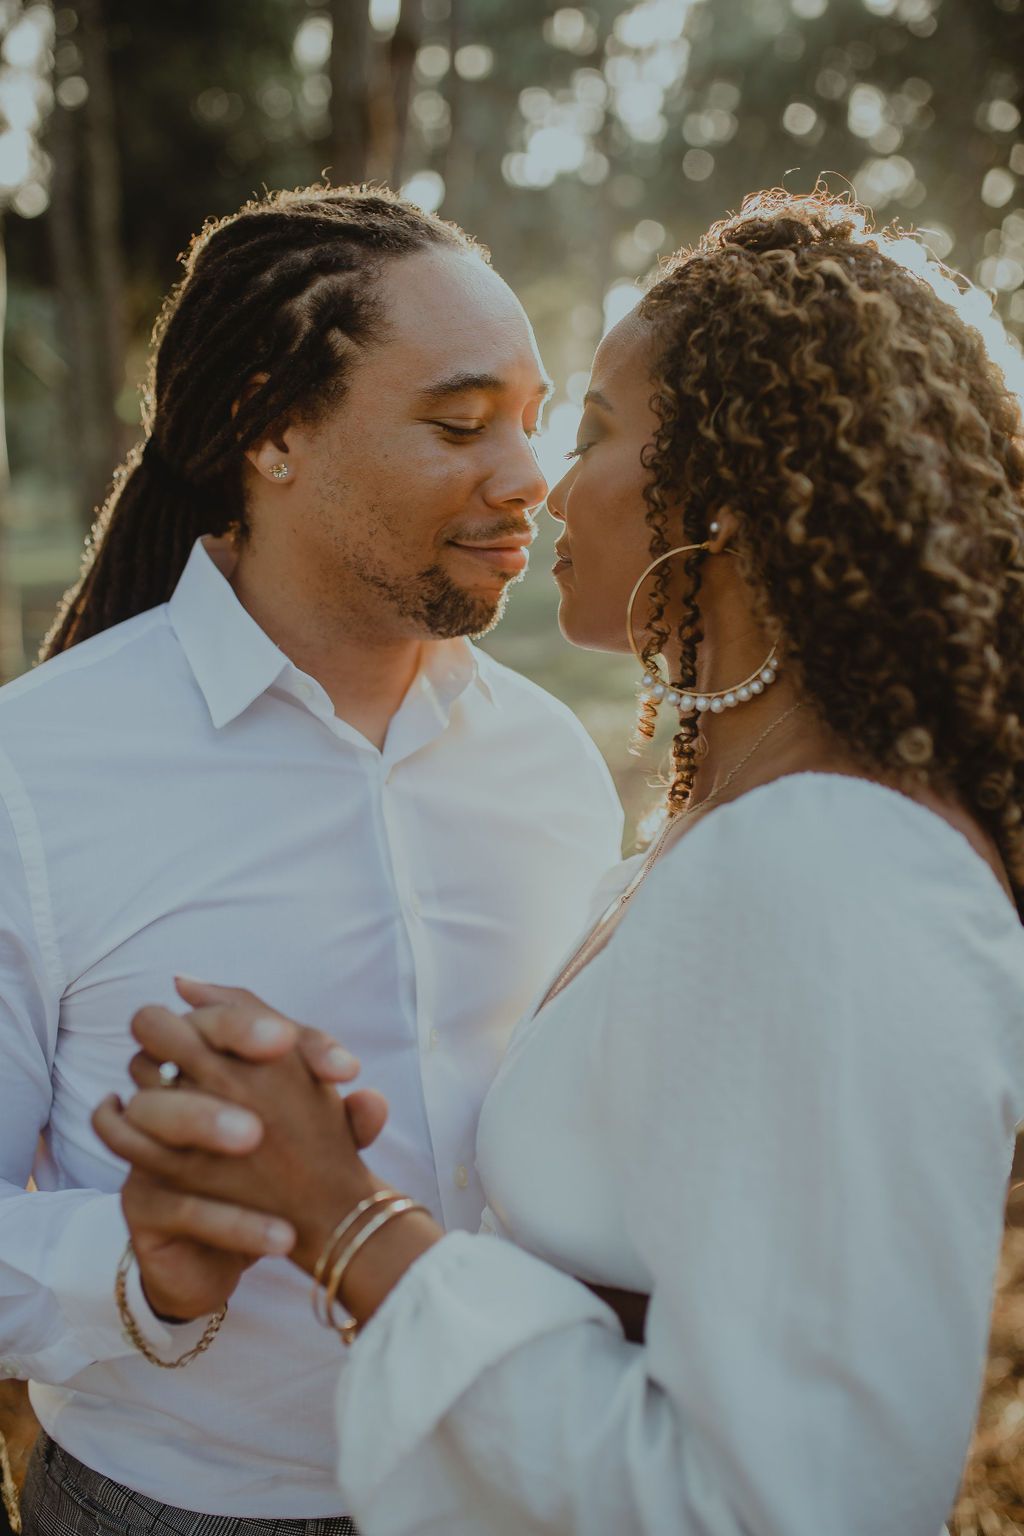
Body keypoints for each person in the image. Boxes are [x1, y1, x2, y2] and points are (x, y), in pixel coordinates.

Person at [97, 187, 1024, 1535]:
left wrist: (340, 1214)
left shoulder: (831, 870)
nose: (541, 478)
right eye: (482, 425)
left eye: (584, 426)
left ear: (728, 492)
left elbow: (792, 1510)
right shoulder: (724, 832)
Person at [0, 185, 624, 1534]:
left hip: (524, 1491)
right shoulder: (32, 778)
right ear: (271, 431)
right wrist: (140, 1270)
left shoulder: (556, 770)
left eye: (534, 416)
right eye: (462, 423)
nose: (531, 474)